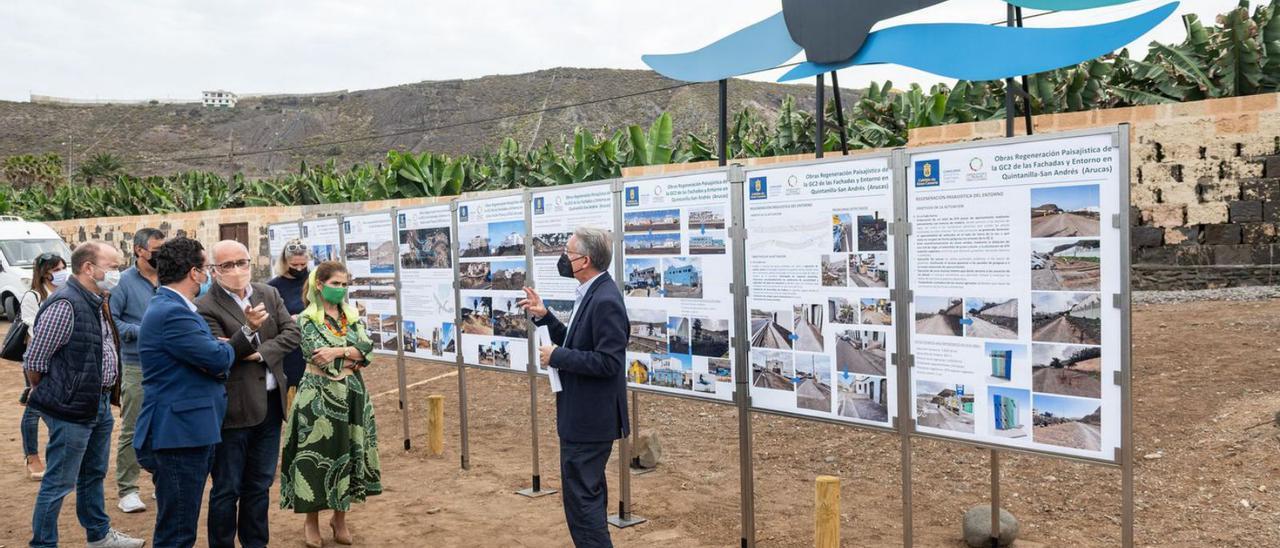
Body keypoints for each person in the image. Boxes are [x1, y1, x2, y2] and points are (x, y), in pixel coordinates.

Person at [134, 237, 264, 548]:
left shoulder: (173, 307)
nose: (207, 275)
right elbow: (217, 359)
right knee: (178, 531)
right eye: (205, 268)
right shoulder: (173, 313)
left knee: (179, 524)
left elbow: (208, 353)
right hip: (180, 434)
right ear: (193, 273)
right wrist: (243, 334)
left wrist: (219, 348)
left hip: (186, 429)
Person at [24, 242, 145, 548]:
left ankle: (99, 535)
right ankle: (43, 543)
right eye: (113, 266)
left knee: (93, 474)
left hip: (98, 404)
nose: (117, 273)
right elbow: (35, 361)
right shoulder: (66, 304)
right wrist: (60, 395)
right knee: (59, 482)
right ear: (89, 268)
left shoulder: (97, 300)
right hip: (71, 409)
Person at [518, 226, 630, 548]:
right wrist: (545, 318)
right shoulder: (592, 292)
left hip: (589, 423)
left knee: (584, 508)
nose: (564, 259)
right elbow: (578, 340)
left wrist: (558, 356)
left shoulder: (606, 299)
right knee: (586, 502)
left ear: (585, 261)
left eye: (568, 254)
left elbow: (609, 362)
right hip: (582, 420)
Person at [198, 240, 300, 548]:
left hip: (270, 405)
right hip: (234, 409)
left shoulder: (268, 293)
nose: (237, 270)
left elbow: (293, 333)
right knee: (227, 488)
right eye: (227, 265)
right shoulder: (205, 307)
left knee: (259, 484)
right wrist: (248, 331)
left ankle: (256, 542)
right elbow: (219, 353)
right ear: (213, 271)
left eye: (241, 262)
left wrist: (261, 352)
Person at [279, 261, 382, 548]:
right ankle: (310, 521)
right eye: (335, 284)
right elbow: (316, 355)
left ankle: (340, 518)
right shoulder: (306, 319)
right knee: (315, 455)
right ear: (320, 285)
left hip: (352, 394)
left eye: (345, 284)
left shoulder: (352, 315)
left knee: (348, 453)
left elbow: (368, 349)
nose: (341, 289)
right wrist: (353, 354)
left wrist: (340, 351)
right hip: (318, 395)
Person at [109, 227, 165, 513]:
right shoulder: (122, 283)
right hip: (136, 365)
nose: (159, 256)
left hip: (168, 364)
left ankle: (161, 482)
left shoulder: (168, 279)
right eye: (155, 251)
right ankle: (128, 489)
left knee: (165, 426)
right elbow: (113, 323)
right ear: (139, 251)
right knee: (133, 428)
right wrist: (145, 332)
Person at [18, 251, 66, 481]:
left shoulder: (66, 292)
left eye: (63, 268)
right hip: (37, 359)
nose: (61, 273)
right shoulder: (34, 296)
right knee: (34, 407)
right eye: (57, 270)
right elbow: (32, 328)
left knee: (49, 407)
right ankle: (32, 456)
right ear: (45, 272)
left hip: (62, 360)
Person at [266, 239, 310, 407]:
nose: (299, 269)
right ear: (285, 262)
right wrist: (285, 319)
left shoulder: (314, 281)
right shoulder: (273, 287)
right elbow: (269, 320)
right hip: (289, 351)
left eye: (302, 264)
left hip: (312, 347)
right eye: (294, 265)